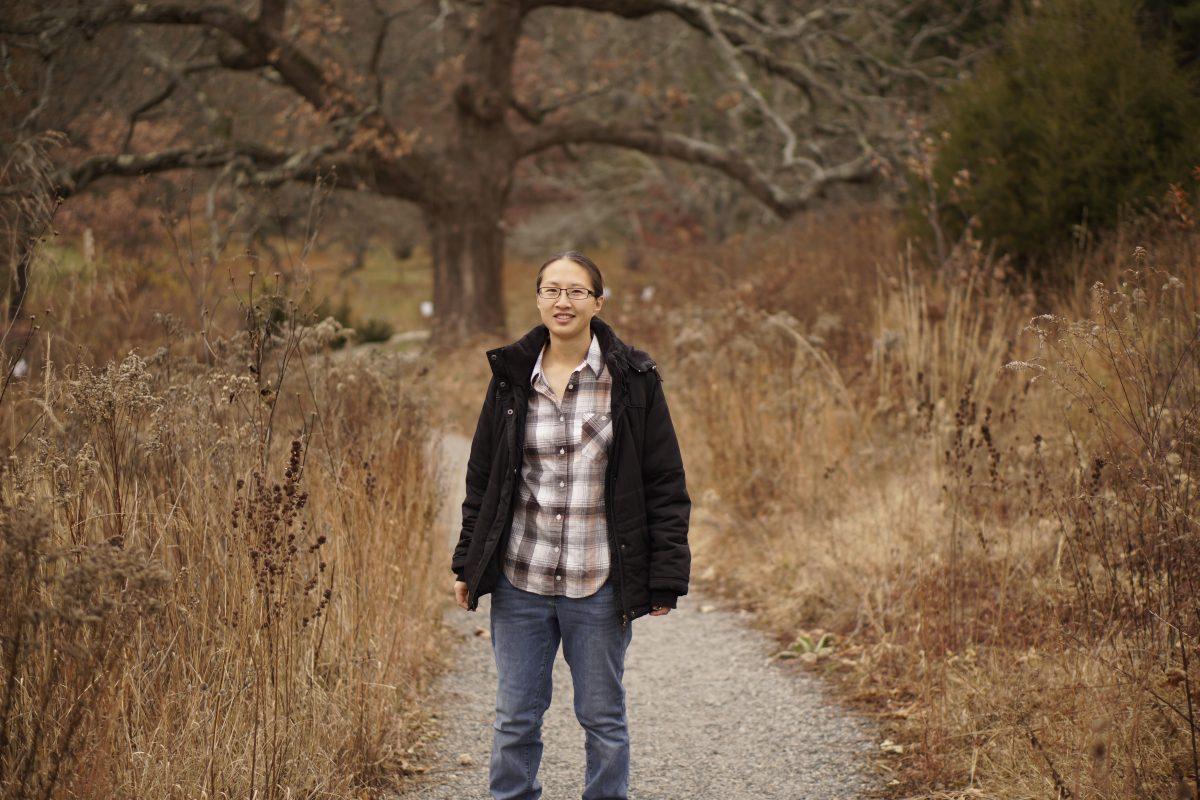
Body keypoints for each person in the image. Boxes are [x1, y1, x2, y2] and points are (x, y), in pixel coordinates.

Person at [451, 250, 691, 800]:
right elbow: (483, 480)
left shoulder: (633, 380)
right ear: (538, 300)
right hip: (521, 580)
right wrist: (467, 561)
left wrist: (666, 575)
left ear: (597, 302)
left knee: (603, 722)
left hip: (599, 583)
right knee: (515, 720)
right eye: (552, 290)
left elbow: (664, 483)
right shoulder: (511, 379)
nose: (563, 301)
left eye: (576, 291)